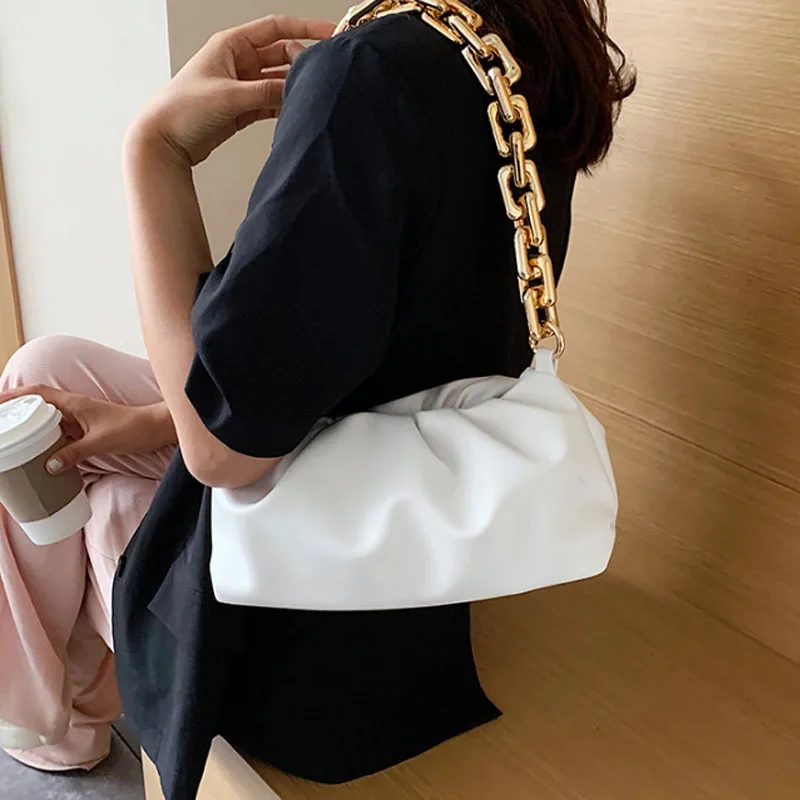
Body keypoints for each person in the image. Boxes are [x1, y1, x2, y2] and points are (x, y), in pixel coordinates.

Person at [0, 3, 634, 797]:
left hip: (297, 635)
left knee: (82, 494)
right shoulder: (518, 50)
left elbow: (217, 450)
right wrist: (148, 423)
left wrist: (153, 150)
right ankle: (49, 711)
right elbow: (361, 364)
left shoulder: (371, 70)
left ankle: (55, 718)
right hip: (401, 532)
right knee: (45, 371)